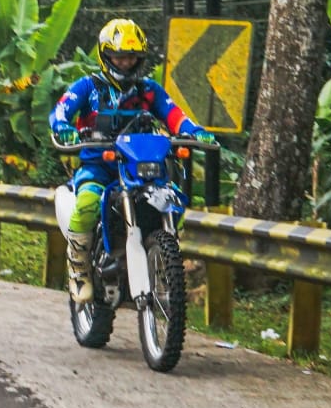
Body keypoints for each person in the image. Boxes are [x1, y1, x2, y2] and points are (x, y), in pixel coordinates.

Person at [49, 18, 216, 303]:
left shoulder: (148, 89)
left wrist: (193, 131)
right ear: (105, 56)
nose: (125, 63)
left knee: (173, 200)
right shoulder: (88, 87)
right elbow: (60, 111)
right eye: (119, 56)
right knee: (89, 203)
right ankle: (78, 267)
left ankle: (164, 255)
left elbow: (173, 114)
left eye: (132, 57)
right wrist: (63, 127)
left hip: (141, 168)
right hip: (99, 167)